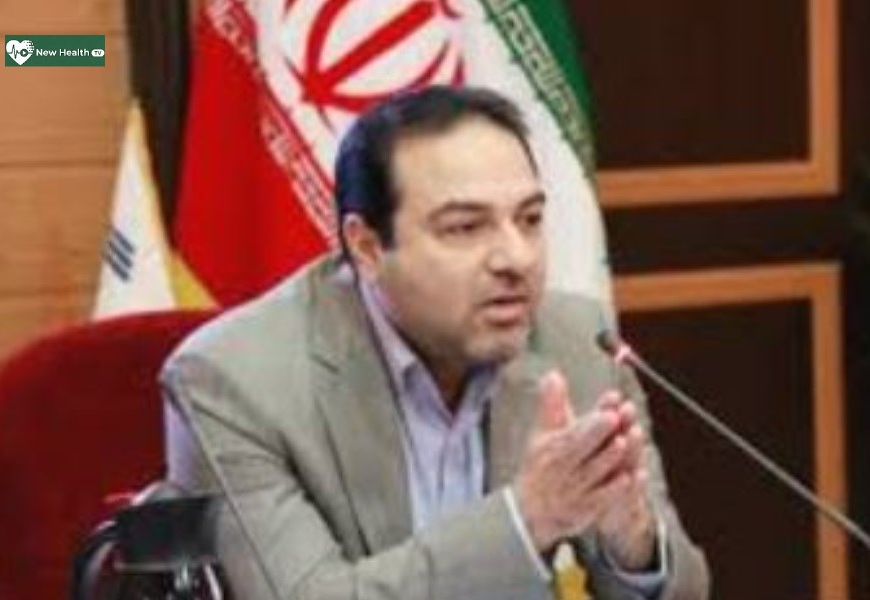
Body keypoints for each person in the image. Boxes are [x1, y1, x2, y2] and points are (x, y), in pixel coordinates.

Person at [161, 85, 710, 600]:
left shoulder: (579, 342)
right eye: (466, 228)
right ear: (366, 247)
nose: (517, 258)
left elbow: (686, 587)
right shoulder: (232, 381)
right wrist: (526, 520)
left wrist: (633, 544)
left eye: (530, 219)